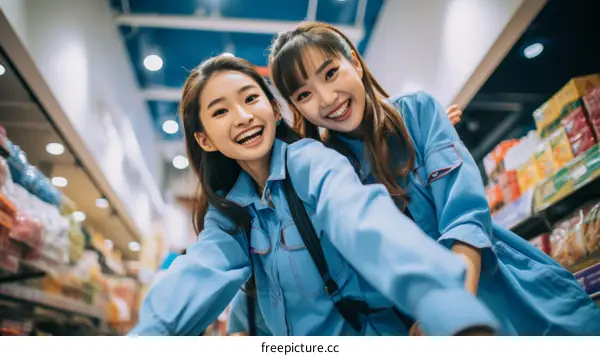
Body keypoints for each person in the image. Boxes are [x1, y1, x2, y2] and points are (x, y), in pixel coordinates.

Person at [267, 21, 600, 336]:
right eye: (304, 95)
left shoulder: (418, 111)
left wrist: (452, 312)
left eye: (330, 73)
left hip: (507, 290)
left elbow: (465, 215)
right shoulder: (326, 172)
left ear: (354, 61)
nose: (326, 99)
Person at [130, 54, 500, 336]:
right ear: (204, 139)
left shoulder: (310, 162)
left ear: (274, 110)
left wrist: (448, 307)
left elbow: (361, 220)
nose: (242, 116)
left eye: (250, 98)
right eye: (221, 111)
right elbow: (202, 271)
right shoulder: (228, 212)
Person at [225, 104, 465, 337]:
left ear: (277, 110)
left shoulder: (317, 168)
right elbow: (248, 304)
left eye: (251, 99)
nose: (327, 98)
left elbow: (373, 233)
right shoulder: (240, 213)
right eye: (304, 94)